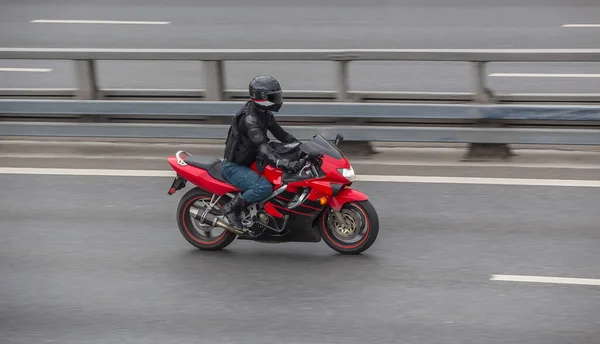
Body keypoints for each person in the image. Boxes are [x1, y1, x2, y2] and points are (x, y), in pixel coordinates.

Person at [221, 75, 303, 230]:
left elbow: (282, 135)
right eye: (274, 97)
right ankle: (232, 208)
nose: (278, 99)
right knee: (263, 188)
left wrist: (304, 148)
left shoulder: (264, 113)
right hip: (233, 166)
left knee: (280, 179)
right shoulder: (250, 119)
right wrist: (280, 161)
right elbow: (262, 146)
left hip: (251, 161)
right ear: (261, 98)